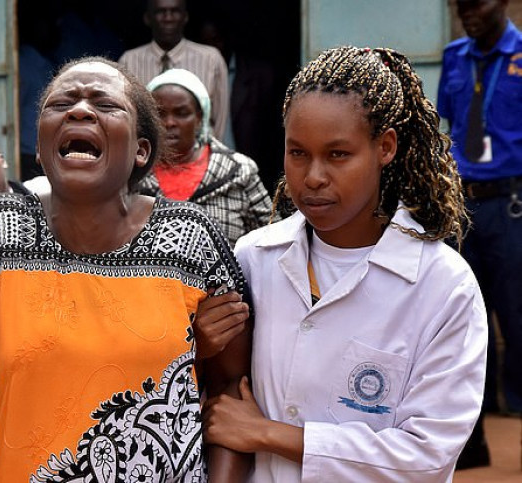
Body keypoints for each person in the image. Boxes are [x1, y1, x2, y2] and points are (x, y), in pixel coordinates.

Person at [0, 56, 251, 482]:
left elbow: (230, 388)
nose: (80, 110)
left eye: (105, 104)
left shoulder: (189, 241)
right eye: (62, 103)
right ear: (40, 145)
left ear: (141, 150)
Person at [203, 46, 487, 482]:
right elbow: (221, 398)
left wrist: (270, 434)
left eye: (337, 155)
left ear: (385, 147)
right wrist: (200, 348)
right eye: (298, 153)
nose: (313, 177)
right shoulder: (254, 258)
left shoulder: (443, 286)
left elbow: (427, 456)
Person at [437, 0, 522, 469]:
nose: (467, 10)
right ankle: (471, 442)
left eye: (478, 2)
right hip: (464, 205)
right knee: (467, 320)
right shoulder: (455, 57)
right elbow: (449, 124)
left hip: (512, 205)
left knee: (517, 317)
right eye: (460, 4)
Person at [138, 68, 271, 246]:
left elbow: (272, 239)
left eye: (181, 113)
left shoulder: (239, 171)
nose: (169, 123)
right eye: (160, 113)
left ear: (200, 117)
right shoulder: (132, 171)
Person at [119, 0, 229, 141]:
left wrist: (211, 153)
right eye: (160, 12)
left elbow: (220, 120)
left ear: (185, 17)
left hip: (200, 151)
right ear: (147, 18)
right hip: (146, 150)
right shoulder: (129, 61)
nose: (168, 18)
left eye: (175, 11)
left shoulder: (211, 59)